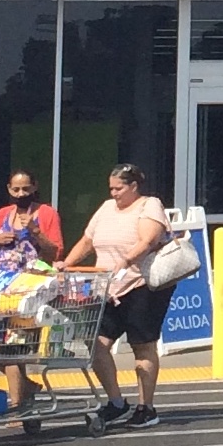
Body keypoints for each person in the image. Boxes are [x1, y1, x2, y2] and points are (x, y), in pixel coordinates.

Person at [63, 162, 172, 427]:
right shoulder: (106, 208)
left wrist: (124, 262)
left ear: (134, 186)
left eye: (119, 188)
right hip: (109, 289)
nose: (114, 193)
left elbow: (146, 241)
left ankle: (146, 407)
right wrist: (66, 264)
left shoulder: (149, 206)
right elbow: (87, 241)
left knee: (142, 345)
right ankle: (116, 402)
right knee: (97, 344)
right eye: (111, 188)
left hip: (141, 285)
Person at [0, 173, 63, 414]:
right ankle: (26, 388)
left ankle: (16, 405)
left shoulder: (46, 214)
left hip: (27, 291)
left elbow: (55, 253)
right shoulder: (2, 215)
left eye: (25, 189)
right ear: (9, 190)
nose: (21, 194)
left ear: (35, 187)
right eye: (16, 190)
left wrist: (35, 232)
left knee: (11, 349)